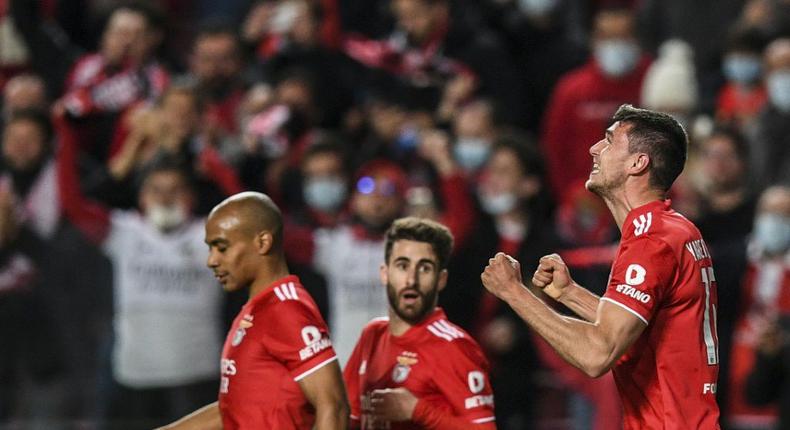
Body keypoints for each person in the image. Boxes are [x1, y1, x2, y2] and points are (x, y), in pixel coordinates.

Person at [481, 104, 721, 429]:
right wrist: (570, 294)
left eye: (609, 141)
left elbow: (597, 355)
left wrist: (515, 292)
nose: (594, 149)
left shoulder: (650, 240)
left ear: (638, 163)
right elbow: (634, 332)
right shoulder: (672, 228)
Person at [162, 191, 348, 429]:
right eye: (210, 249)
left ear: (262, 242)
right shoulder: (257, 310)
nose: (211, 260)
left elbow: (333, 405)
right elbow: (237, 407)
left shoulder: (287, 309)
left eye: (222, 247)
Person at [343, 217, 496, 429]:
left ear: (441, 279)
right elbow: (348, 415)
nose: (411, 280)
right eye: (402, 265)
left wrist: (418, 411)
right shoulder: (373, 334)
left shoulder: (453, 346)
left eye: (424, 268)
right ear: (385, 274)